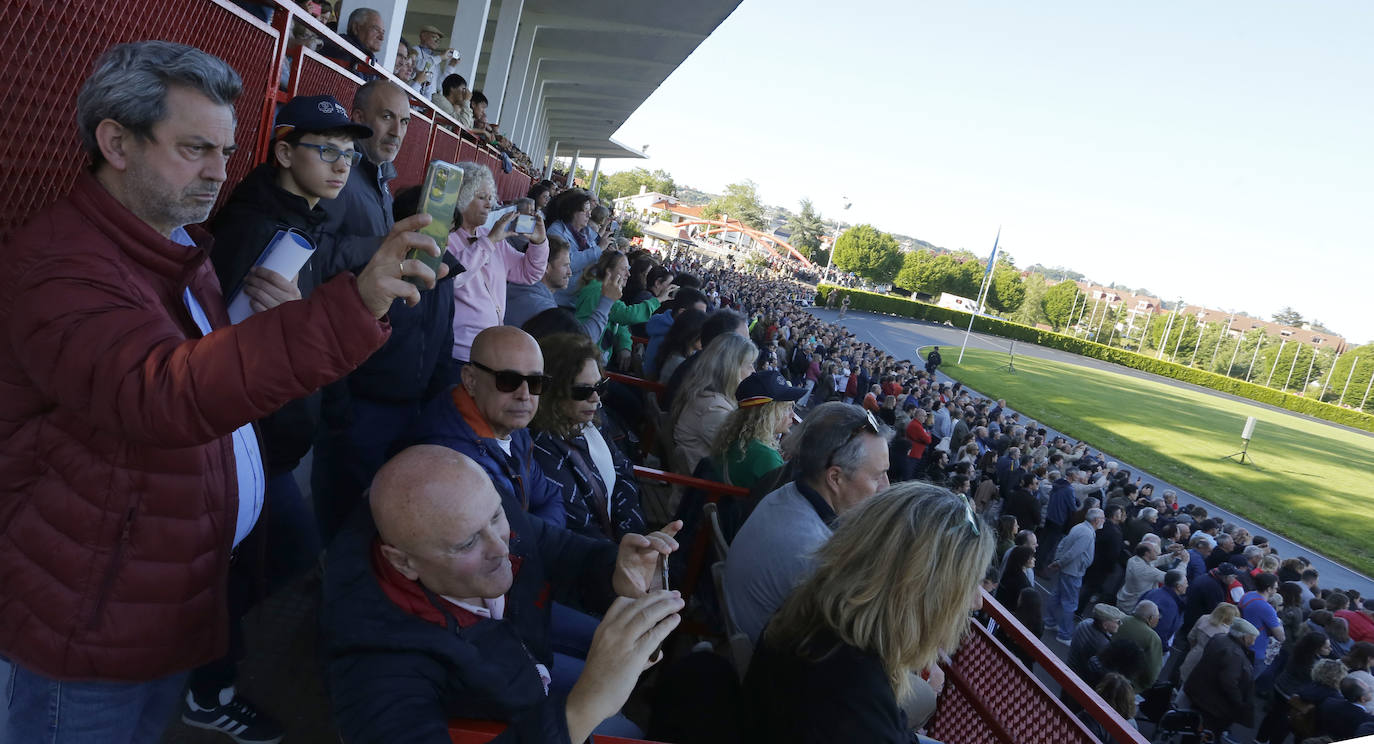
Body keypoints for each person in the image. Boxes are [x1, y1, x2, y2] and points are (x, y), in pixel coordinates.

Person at [0, 41, 446, 743]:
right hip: (83, 616)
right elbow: (160, 393)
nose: (218, 171)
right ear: (115, 142)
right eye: (194, 149)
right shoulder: (60, 263)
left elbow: (201, 366)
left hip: (148, 598)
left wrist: (271, 328)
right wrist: (347, 309)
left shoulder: (175, 243)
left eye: (224, 149)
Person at [322, 446, 682, 742]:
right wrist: (579, 711)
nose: (502, 547)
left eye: (496, 518)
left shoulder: (479, 507)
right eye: (466, 544)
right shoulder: (374, 659)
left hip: (527, 675)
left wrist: (612, 569)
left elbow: (551, 547)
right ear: (402, 563)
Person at [311, 79, 465, 540]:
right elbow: (312, 254)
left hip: (385, 384)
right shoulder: (338, 177)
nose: (397, 130)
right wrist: (384, 246)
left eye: (404, 120)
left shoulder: (377, 182)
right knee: (341, 511)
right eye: (385, 117)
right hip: (351, 384)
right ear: (358, 116)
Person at [741, 483, 993, 743]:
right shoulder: (855, 694)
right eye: (971, 582)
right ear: (921, 591)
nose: (977, 601)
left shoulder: (825, 606)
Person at [724, 403, 893, 644]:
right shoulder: (813, 552)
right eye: (877, 476)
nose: (886, 486)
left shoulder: (789, 493)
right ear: (835, 478)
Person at [412, 326, 565, 526]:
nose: (524, 395)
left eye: (536, 382)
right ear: (470, 380)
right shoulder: (450, 462)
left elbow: (550, 499)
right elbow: (508, 540)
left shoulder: (514, 430)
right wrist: (538, 536)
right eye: (508, 380)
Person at [529, 333, 647, 541]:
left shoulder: (592, 421)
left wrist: (631, 532)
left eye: (600, 386)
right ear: (552, 391)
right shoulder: (543, 448)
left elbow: (623, 471)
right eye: (582, 391)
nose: (596, 398)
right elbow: (581, 527)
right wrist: (622, 554)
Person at [445, 162, 550, 362]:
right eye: (481, 197)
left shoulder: (490, 237)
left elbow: (529, 273)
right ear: (461, 198)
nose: (489, 204)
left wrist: (539, 243)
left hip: (488, 351)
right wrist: (489, 241)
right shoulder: (445, 237)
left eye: (490, 197)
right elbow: (451, 278)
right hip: (457, 352)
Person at [667, 332, 758, 478]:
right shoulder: (714, 408)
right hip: (704, 490)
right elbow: (743, 459)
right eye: (749, 365)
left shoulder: (704, 394)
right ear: (731, 369)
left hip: (696, 482)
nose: (754, 372)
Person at [574, 250, 672, 369]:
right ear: (609, 272)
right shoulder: (599, 290)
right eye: (623, 269)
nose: (628, 274)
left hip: (596, 360)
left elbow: (620, 322)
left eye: (628, 269)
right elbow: (628, 315)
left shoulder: (605, 289)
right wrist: (659, 300)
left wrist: (624, 346)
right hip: (584, 361)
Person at [506, 233, 614, 339]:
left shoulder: (521, 290)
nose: (570, 272)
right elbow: (581, 343)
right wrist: (607, 300)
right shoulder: (541, 308)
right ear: (545, 268)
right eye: (565, 265)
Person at [710, 370, 805, 490]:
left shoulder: (734, 438)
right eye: (786, 408)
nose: (792, 414)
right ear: (765, 413)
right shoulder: (766, 456)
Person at [1184, 618, 1259, 742]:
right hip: (1214, 706)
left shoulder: (1219, 638)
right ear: (1244, 637)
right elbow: (1229, 682)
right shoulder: (1235, 654)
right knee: (1206, 735)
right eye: (1253, 638)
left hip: (1201, 694)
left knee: (1193, 730)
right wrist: (1239, 702)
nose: (1254, 642)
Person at [1048, 508, 1106, 645]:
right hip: (1073, 571)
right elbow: (1074, 553)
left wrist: (1058, 561)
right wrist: (1059, 563)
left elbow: (1064, 544)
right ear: (1096, 520)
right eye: (1103, 518)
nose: (1104, 520)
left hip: (1069, 569)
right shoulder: (1087, 533)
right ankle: (1064, 634)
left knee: (1056, 596)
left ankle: (1050, 622)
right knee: (1070, 603)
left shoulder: (1079, 527)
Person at [546, 191, 599, 308]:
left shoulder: (586, 233)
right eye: (585, 211)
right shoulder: (556, 231)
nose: (589, 215)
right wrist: (599, 250)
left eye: (589, 211)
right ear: (572, 211)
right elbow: (570, 263)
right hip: (560, 300)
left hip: (577, 299)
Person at [1240, 573, 1285, 679]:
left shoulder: (1247, 595)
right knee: (1245, 683)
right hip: (1256, 651)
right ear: (1269, 589)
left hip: (1241, 642)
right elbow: (1281, 637)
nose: (1276, 590)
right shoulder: (1266, 608)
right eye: (1275, 587)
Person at [1113, 600, 1164, 692]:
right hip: (1126, 685)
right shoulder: (1152, 638)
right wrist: (1143, 686)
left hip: (1105, 670)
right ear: (1150, 618)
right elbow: (1151, 671)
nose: (1158, 619)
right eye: (1158, 617)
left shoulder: (1120, 619)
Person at [1067, 603, 1125, 681]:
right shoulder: (1104, 644)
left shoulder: (1085, 623)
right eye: (1118, 621)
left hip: (1070, 667)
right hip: (1079, 679)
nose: (1121, 624)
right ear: (1105, 625)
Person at [652, 308, 707, 383]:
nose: (706, 338)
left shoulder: (677, 353)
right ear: (691, 333)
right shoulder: (679, 361)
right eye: (703, 334)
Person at [1140, 570, 1188, 649]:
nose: (1187, 585)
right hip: (1148, 647)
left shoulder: (1152, 591)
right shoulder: (1170, 606)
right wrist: (1164, 649)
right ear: (1178, 587)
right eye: (1186, 583)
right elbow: (1161, 632)